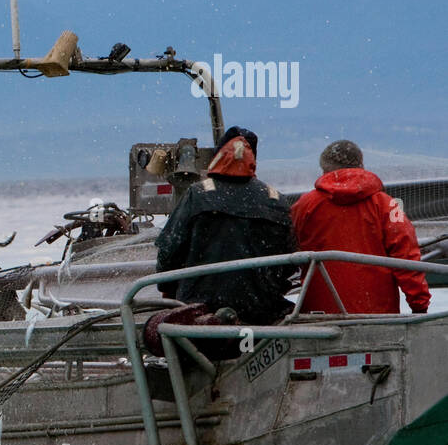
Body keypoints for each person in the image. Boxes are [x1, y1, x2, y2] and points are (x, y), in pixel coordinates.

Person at [154, 127, 297, 328]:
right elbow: (289, 260)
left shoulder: (198, 195)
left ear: (218, 156)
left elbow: (170, 250)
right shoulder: (275, 200)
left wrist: (168, 290)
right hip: (262, 311)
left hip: (201, 309)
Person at [290, 140, 429, 314]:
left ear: (325, 169)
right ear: (360, 165)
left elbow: (288, 249)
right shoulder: (388, 205)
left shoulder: (305, 205)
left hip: (320, 316)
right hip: (377, 315)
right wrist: (419, 304)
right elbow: (406, 255)